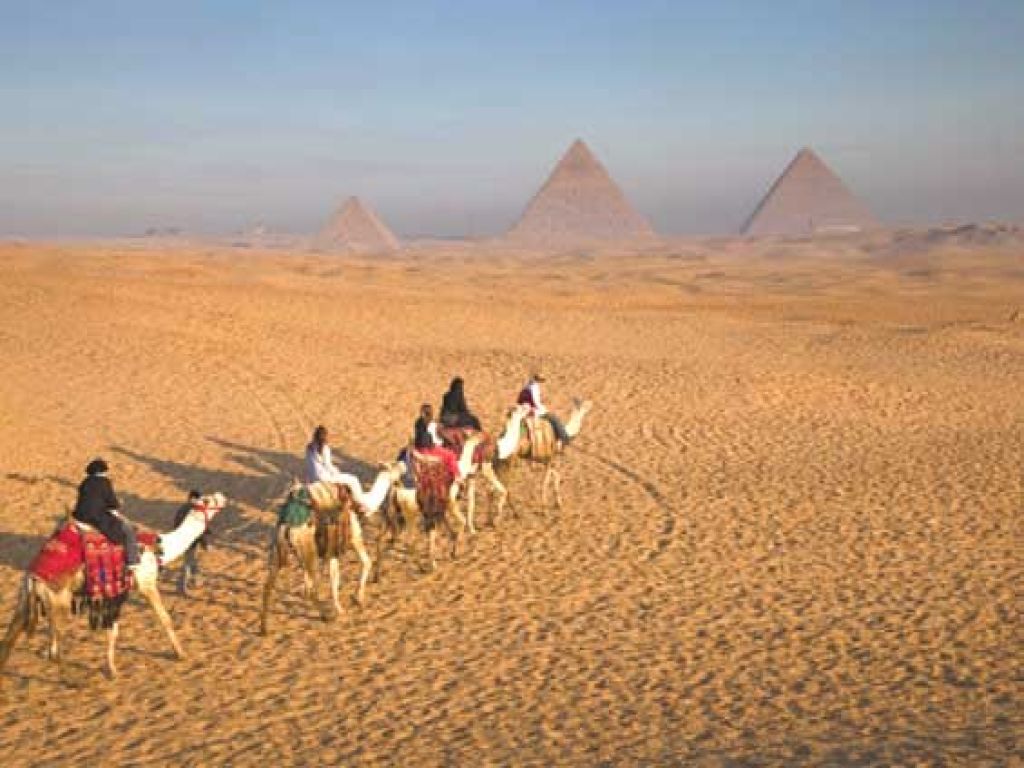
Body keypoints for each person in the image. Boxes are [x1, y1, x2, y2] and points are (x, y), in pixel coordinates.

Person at [72, 458, 139, 567]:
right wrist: (118, 513)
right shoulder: (104, 482)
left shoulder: (85, 482)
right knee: (128, 529)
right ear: (103, 471)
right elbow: (111, 502)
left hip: (80, 516)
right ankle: (133, 561)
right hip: (95, 516)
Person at [517, 372, 571, 445]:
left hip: (524, 410)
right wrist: (544, 410)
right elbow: (536, 402)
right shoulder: (534, 387)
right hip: (533, 411)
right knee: (554, 419)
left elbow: (519, 400)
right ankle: (564, 438)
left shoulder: (526, 387)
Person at [412, 403, 462, 481]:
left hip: (424, 447)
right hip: (428, 450)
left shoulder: (420, 423)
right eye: (429, 414)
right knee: (451, 455)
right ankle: (457, 477)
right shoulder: (425, 423)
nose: (431, 416)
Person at [173, 490, 208, 595]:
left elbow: (176, 523)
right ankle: (181, 587)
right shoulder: (194, 510)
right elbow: (199, 528)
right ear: (193, 499)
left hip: (184, 538)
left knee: (193, 561)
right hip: (190, 540)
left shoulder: (182, 508)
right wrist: (204, 543)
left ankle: (197, 580)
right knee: (188, 563)